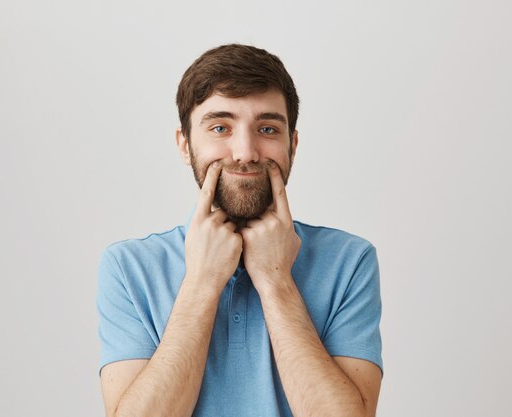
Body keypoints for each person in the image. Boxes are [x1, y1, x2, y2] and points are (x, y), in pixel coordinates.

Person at [97, 44, 383, 417]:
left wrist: (276, 280)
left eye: (267, 128)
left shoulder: (350, 261)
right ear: (185, 145)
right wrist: (201, 281)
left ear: (292, 145)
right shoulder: (128, 267)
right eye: (220, 127)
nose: (245, 151)